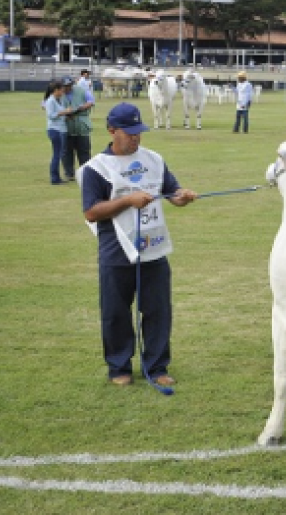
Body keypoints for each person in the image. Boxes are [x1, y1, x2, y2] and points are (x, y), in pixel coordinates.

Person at [81, 102, 197, 386]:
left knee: (158, 310)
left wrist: (181, 196)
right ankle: (119, 368)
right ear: (111, 130)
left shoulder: (153, 159)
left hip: (154, 248)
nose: (135, 137)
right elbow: (91, 212)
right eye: (128, 132)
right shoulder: (96, 169)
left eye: (138, 132)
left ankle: (157, 367)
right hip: (116, 251)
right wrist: (126, 201)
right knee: (116, 312)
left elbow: (171, 191)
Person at [62, 76, 96, 181]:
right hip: (66, 126)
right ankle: (69, 173)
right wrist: (63, 112)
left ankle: (85, 173)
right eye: (65, 86)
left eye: (68, 86)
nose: (67, 88)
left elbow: (91, 101)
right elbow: (45, 103)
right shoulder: (57, 92)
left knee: (84, 151)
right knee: (66, 152)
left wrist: (80, 108)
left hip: (82, 125)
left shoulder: (82, 90)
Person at [43, 79, 75, 185]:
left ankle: (56, 177)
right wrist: (65, 112)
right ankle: (54, 178)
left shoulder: (58, 100)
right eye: (61, 90)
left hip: (60, 128)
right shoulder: (50, 101)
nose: (63, 92)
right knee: (57, 154)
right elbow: (51, 115)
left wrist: (67, 116)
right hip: (55, 130)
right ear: (55, 90)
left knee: (58, 154)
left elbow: (58, 115)